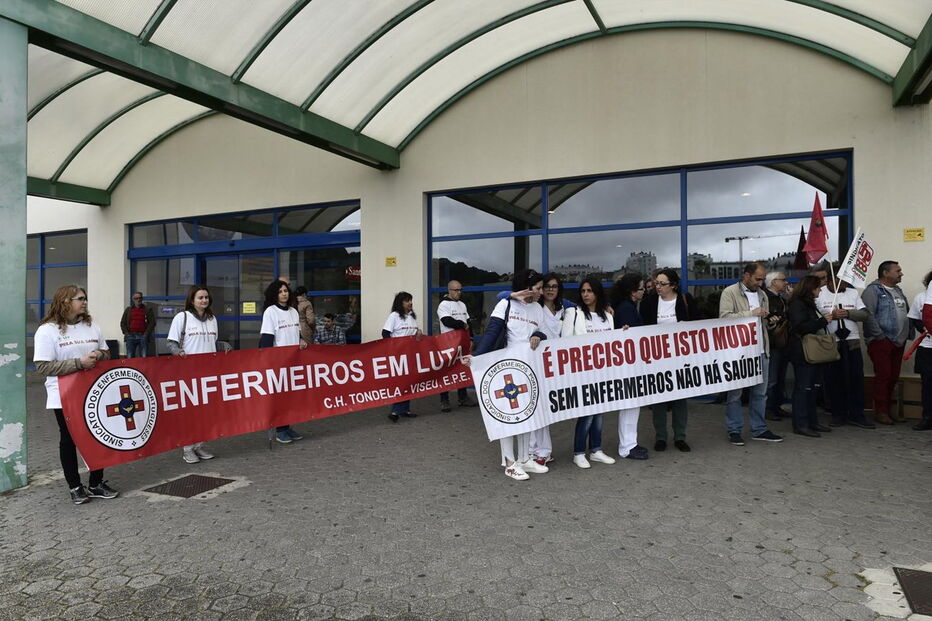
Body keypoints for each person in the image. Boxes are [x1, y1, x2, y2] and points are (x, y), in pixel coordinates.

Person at [34, 285, 119, 505]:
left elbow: (107, 352)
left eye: (85, 298)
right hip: (63, 395)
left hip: (94, 392)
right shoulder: (48, 330)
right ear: (65, 302)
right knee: (69, 439)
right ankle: (75, 487)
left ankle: (96, 483)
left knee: (98, 434)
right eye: (80, 298)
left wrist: (99, 354)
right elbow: (43, 366)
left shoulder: (91, 326)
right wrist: (78, 363)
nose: (84, 302)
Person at [465, 269, 549, 481]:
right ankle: (510, 463)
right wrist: (477, 357)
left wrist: (538, 334)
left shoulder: (538, 308)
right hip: (505, 369)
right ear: (526, 287)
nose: (542, 291)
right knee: (508, 415)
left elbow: (543, 331)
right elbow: (492, 332)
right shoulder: (506, 304)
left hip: (528, 368)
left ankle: (524, 459)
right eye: (538, 287)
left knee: (527, 414)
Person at [719, 263, 784, 446]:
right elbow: (723, 319)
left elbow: (761, 323)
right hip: (738, 352)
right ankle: (734, 429)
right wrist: (751, 313)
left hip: (761, 349)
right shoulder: (730, 292)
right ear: (746, 276)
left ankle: (759, 429)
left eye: (763, 279)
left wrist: (770, 321)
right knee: (735, 393)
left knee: (760, 393)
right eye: (758, 279)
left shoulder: (762, 294)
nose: (761, 283)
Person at [167, 284, 230, 463]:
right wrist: (178, 352)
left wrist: (223, 345)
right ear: (192, 300)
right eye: (200, 298)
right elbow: (171, 343)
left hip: (209, 374)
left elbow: (212, 342)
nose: (204, 300)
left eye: (206, 297)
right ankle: (187, 449)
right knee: (191, 413)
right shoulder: (182, 317)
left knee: (206, 413)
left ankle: (199, 446)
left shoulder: (212, 319)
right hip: (188, 374)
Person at [639, 268, 700, 452]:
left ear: (673, 285)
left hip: (681, 359)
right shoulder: (649, 302)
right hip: (657, 359)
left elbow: (699, 323)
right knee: (658, 400)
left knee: (680, 399)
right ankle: (661, 437)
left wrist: (687, 327)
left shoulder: (685, 299)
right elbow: (642, 328)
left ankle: (680, 437)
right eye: (657, 283)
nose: (658, 287)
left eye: (662, 284)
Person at [561, 277, 618, 468]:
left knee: (599, 412)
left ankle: (596, 449)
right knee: (587, 413)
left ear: (598, 293)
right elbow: (565, 343)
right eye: (583, 291)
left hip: (603, 372)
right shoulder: (574, 313)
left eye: (590, 291)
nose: (585, 294)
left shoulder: (608, 316)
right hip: (583, 373)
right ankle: (578, 452)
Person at [816, 270, 875, 429]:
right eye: (839, 280)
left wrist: (848, 313)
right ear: (830, 280)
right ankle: (838, 414)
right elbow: (814, 317)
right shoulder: (820, 293)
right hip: (831, 342)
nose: (843, 284)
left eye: (845, 280)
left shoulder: (852, 293)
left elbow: (865, 315)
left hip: (852, 341)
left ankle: (857, 414)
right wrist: (830, 315)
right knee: (834, 380)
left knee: (855, 378)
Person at [787, 275, 837, 437]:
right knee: (804, 388)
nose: (820, 290)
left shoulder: (809, 304)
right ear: (810, 288)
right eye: (818, 287)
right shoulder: (797, 304)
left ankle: (812, 421)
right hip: (803, 352)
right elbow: (801, 327)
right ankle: (801, 424)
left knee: (813, 388)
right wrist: (822, 321)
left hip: (812, 352)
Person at [862, 261, 912, 424]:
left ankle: (889, 410)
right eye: (898, 270)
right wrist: (879, 336)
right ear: (885, 273)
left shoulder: (898, 290)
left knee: (893, 376)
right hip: (881, 340)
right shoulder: (873, 290)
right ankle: (880, 411)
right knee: (883, 375)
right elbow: (867, 314)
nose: (901, 273)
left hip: (898, 341)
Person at [260, 279, 309, 444]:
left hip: (294, 361)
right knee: (280, 396)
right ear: (275, 294)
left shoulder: (294, 312)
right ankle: (280, 429)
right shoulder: (270, 312)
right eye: (280, 291)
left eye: (286, 291)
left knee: (290, 396)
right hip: (278, 362)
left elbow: (297, 334)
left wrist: (301, 340)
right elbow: (267, 339)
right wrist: (268, 362)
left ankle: (287, 426)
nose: (284, 294)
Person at [610, 273, 649, 460]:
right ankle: (627, 446)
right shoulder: (627, 308)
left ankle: (630, 443)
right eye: (641, 288)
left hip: (629, 364)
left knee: (632, 406)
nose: (643, 291)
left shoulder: (628, 306)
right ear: (632, 291)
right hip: (629, 365)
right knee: (630, 406)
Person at [382, 291, 422, 422]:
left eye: (411, 300)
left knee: (409, 381)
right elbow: (385, 333)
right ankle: (395, 411)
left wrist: (418, 332)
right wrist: (393, 349)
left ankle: (405, 409)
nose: (410, 303)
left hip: (410, 354)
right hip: (398, 355)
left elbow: (413, 334)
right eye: (407, 300)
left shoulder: (411, 317)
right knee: (400, 383)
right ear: (400, 303)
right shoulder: (394, 316)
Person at [436, 280, 474, 412]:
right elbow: (447, 321)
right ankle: (444, 400)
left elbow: (468, 321)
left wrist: (471, 338)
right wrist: (461, 325)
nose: (459, 292)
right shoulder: (444, 305)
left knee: (462, 368)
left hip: (462, 342)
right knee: (446, 371)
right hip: (448, 343)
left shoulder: (462, 305)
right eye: (456, 290)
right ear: (449, 291)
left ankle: (463, 397)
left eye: (460, 290)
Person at [907, 270, 932, 431]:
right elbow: (914, 318)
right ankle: (928, 417)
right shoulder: (921, 298)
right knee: (928, 384)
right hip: (928, 347)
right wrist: (924, 327)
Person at [764, 272, 791, 420]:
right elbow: (776, 315)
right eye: (783, 280)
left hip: (782, 342)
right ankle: (768, 408)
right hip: (773, 343)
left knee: (780, 377)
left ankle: (777, 406)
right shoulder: (767, 297)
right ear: (773, 282)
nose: (786, 282)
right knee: (772, 379)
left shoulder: (780, 297)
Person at [120, 291, 155, 358]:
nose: (138, 300)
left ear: (142, 299)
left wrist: (146, 334)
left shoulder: (147, 309)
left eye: (139, 298)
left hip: (143, 336)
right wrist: (127, 334)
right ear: (133, 299)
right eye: (136, 298)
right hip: (131, 336)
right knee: (130, 357)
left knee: (144, 357)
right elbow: (122, 323)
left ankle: (144, 368)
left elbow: (152, 323)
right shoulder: (128, 310)